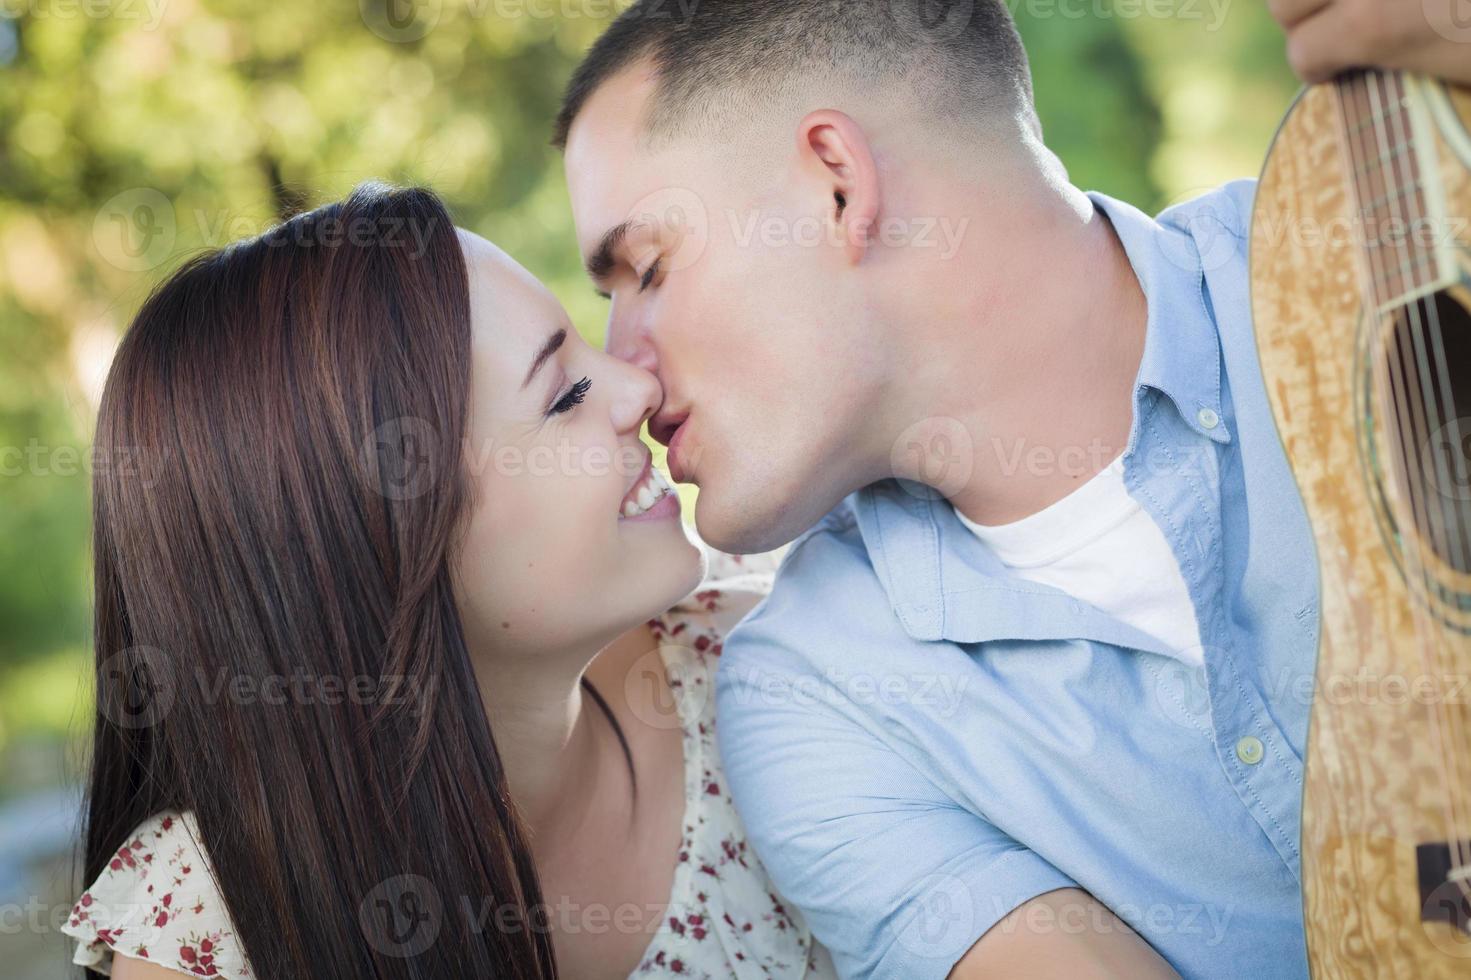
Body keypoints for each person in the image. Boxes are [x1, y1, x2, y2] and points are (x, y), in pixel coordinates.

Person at [552, 1, 1470, 977]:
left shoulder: (1393, 241)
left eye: (646, 269)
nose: (628, 371)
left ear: (835, 182)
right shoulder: (817, 699)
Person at [60, 183, 836, 980]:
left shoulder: (765, 661)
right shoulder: (215, 926)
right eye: (564, 394)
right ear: (372, 543)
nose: (639, 391)